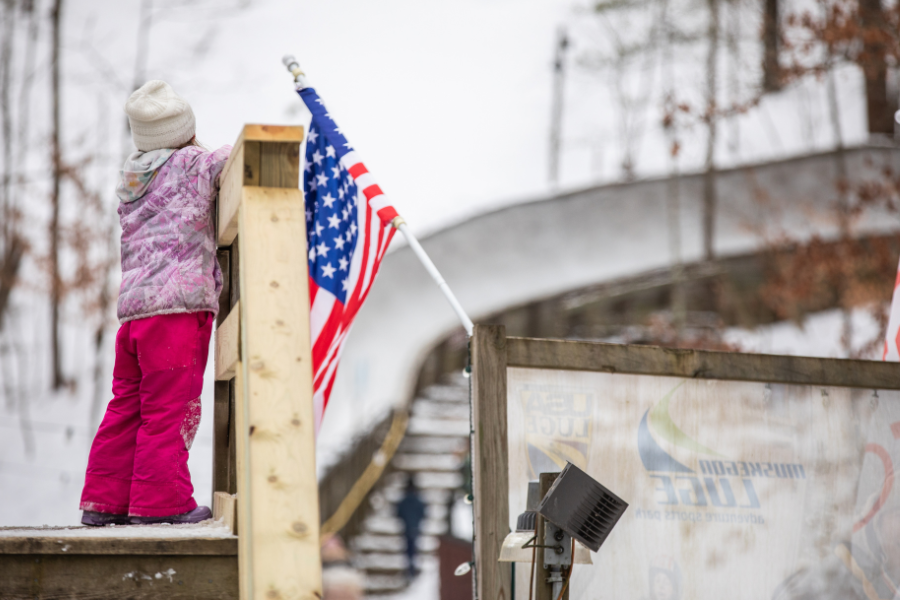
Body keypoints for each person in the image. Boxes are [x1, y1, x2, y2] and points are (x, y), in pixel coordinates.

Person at [79, 80, 231, 526]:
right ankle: (162, 504)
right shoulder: (192, 164)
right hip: (176, 313)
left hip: (135, 317)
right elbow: (232, 159)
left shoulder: (132, 178)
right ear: (183, 130)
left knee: (127, 406)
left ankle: (103, 503)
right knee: (170, 408)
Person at [395, 478, 427, 577]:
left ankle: (409, 568)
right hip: (415, 527)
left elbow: (398, 513)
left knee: (408, 548)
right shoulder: (418, 501)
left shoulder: (403, 501)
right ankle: (412, 568)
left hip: (407, 527)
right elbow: (423, 513)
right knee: (413, 547)